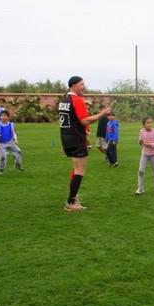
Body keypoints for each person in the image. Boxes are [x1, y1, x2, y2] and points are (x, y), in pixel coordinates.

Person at [58, 76, 110, 212]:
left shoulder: (64, 99)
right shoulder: (77, 100)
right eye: (81, 84)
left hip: (66, 138)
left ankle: (73, 198)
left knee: (76, 170)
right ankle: (70, 202)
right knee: (79, 171)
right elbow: (84, 121)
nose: (84, 86)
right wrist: (102, 114)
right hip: (76, 138)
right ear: (73, 86)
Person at [135, 117, 154, 195]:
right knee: (141, 171)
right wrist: (140, 141)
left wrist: (151, 145)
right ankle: (140, 188)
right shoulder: (141, 131)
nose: (150, 124)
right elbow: (140, 143)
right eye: (148, 123)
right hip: (144, 154)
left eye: (151, 122)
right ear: (144, 125)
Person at [0, 110, 23, 175]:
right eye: (1, 116)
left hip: (11, 142)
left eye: (5, 116)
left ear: (8, 117)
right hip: (2, 144)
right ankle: (1, 170)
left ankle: (17, 165)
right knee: (3, 157)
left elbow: (13, 133)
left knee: (19, 152)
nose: (3, 117)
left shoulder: (11, 124)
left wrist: (15, 140)